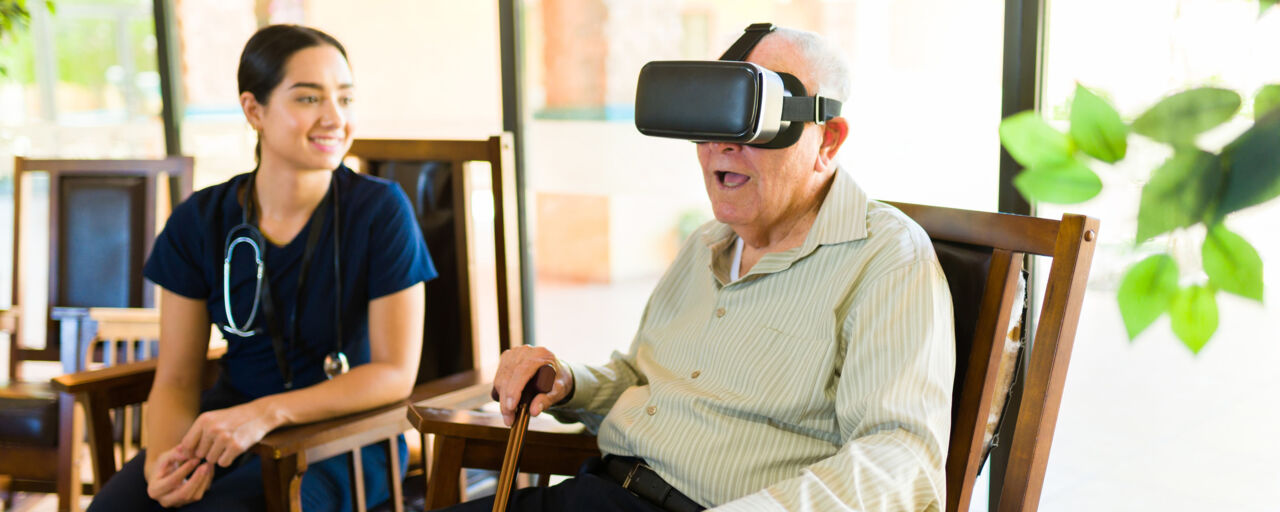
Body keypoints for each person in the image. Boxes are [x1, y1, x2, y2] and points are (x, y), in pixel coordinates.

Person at [451, 27, 956, 512]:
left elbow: (900, 458)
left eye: (752, 120)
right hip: (599, 491)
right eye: (711, 121)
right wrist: (565, 381)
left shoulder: (887, 257)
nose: (722, 144)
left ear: (827, 141)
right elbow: (640, 377)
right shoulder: (706, 244)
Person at [88, 24, 435, 512]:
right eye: (309, 99)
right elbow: (178, 379)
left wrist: (264, 414)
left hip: (346, 439)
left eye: (346, 99)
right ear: (255, 110)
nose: (335, 118)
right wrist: (162, 465)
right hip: (228, 432)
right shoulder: (201, 220)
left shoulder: (380, 211)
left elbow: (394, 374)